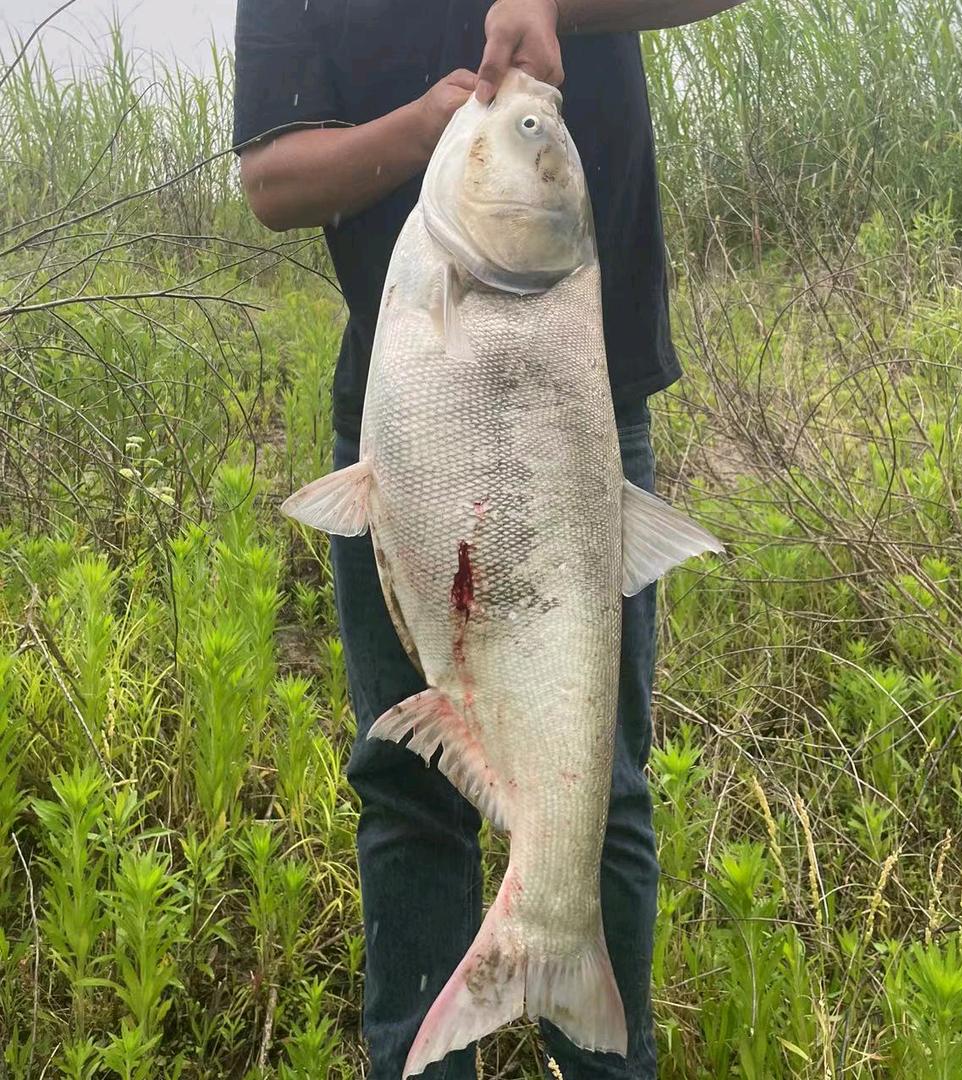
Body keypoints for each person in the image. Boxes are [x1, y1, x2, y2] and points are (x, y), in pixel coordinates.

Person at [233, 2, 742, 1077]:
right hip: (408, 406)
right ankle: (420, 1058)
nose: (529, 120)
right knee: (407, 790)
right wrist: (425, 129)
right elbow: (273, 180)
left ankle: (596, 1029)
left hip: (580, 401)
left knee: (595, 789)